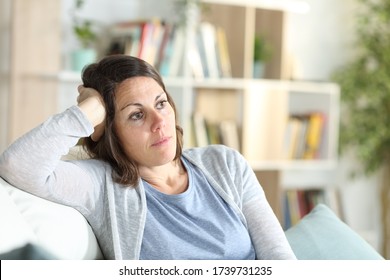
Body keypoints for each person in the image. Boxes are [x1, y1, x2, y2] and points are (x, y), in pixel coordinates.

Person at [0, 54, 296, 260]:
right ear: (108, 130)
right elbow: (18, 165)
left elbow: (279, 258)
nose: (159, 122)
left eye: (161, 103)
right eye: (137, 115)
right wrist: (88, 111)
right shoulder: (102, 184)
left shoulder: (225, 163)